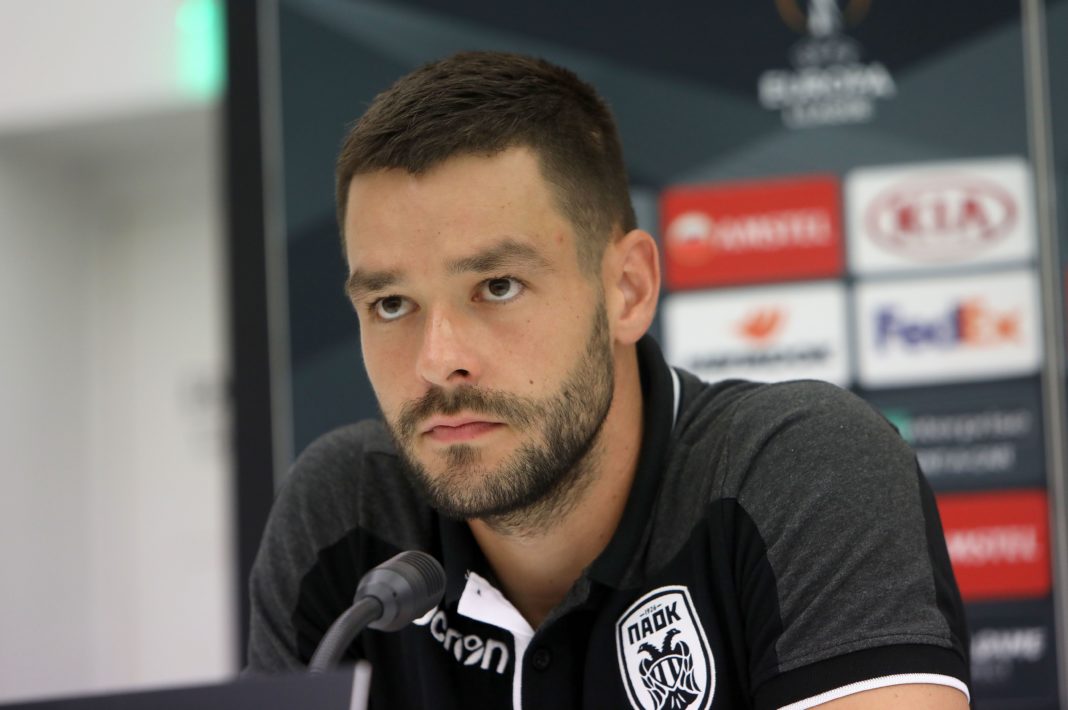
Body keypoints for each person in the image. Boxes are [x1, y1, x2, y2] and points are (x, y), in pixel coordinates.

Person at [246, 51, 970, 709]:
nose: (437, 360)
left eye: (497, 286)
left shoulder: (805, 471)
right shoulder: (344, 517)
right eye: (390, 304)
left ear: (628, 290)